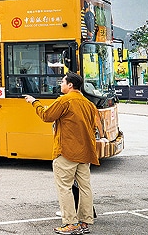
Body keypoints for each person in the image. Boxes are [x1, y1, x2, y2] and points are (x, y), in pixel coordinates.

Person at [24, 71, 102, 235]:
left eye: (63, 82)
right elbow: (93, 127)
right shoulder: (89, 104)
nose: (61, 84)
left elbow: (46, 116)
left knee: (65, 188)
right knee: (85, 188)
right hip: (85, 152)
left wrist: (34, 102)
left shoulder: (65, 100)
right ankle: (84, 223)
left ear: (70, 85)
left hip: (67, 151)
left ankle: (70, 223)